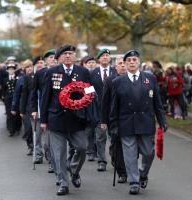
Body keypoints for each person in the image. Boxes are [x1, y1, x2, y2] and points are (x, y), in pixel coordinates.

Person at [110, 50, 167, 195]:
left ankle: (143, 173)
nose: (131, 62)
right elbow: (114, 106)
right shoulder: (117, 82)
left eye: (134, 59)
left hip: (145, 122)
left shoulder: (150, 78)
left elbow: (157, 102)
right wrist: (114, 125)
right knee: (129, 155)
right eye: (128, 60)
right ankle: (134, 181)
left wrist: (162, 121)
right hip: (126, 123)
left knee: (149, 153)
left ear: (139, 62)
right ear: (125, 63)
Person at [40, 44, 90, 195]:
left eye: (70, 53)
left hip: (77, 119)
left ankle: (74, 170)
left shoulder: (83, 72)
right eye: (65, 54)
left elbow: (90, 93)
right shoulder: (52, 72)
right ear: (59, 57)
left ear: (75, 56)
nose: (68, 56)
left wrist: (91, 113)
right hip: (57, 118)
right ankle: (63, 182)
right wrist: (43, 120)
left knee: (82, 147)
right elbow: (45, 97)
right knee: (59, 153)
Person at [101, 56, 128, 183]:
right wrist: (104, 120)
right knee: (117, 146)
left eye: (124, 63)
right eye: (120, 63)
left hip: (130, 119)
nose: (123, 65)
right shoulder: (110, 80)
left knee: (131, 146)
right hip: (114, 119)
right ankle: (122, 171)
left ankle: (130, 168)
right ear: (115, 66)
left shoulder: (134, 79)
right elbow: (105, 102)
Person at [90, 48, 117, 171]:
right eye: (103, 56)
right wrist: (92, 98)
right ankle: (101, 161)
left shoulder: (115, 72)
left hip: (113, 110)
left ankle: (115, 158)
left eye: (107, 55)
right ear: (99, 59)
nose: (105, 57)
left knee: (114, 136)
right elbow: (87, 89)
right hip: (99, 110)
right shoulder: (92, 73)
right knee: (100, 137)